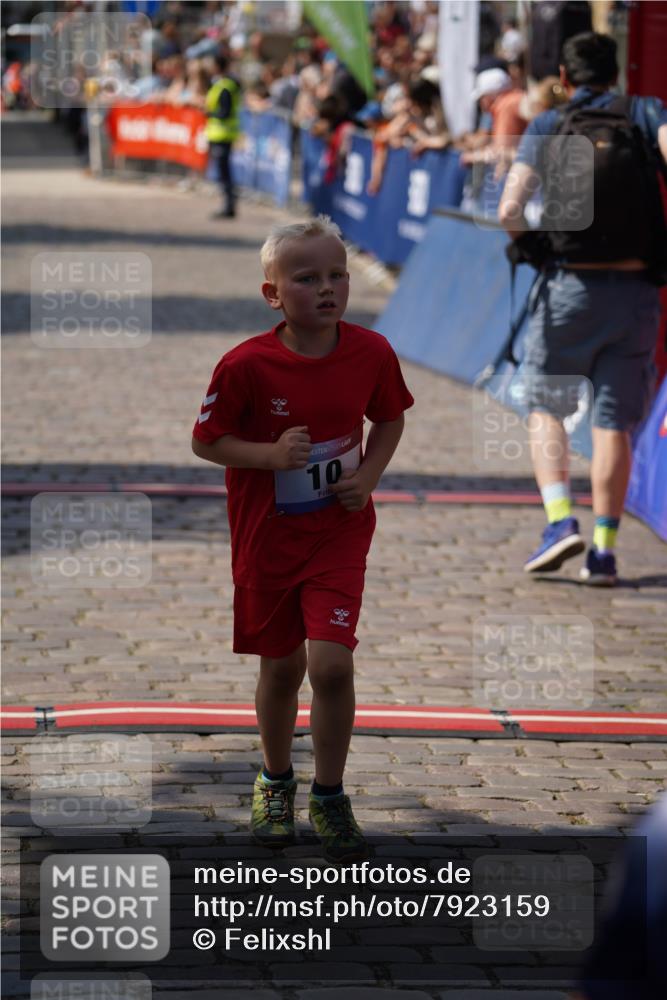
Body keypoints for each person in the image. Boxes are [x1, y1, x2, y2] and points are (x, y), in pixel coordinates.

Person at [191, 216, 414, 863]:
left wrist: (367, 477)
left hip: (338, 532)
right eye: (307, 278)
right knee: (283, 667)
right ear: (273, 295)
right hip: (266, 537)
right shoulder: (245, 365)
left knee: (331, 664)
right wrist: (267, 456)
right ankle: (274, 780)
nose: (327, 288)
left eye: (337, 275)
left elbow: (390, 418)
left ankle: (330, 793)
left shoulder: (372, 352)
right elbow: (206, 442)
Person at [499, 31, 667, 585]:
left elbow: (509, 209)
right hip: (637, 293)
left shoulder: (550, 125)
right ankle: (604, 551)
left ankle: (558, 521)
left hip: (568, 288)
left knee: (546, 405)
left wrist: (534, 248)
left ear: (565, 79)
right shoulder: (644, 112)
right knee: (613, 423)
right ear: (615, 74)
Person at [205, 52, 241, 219]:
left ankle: (229, 206)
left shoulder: (225, 86)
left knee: (224, 172)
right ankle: (228, 205)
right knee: (222, 172)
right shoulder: (220, 84)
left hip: (223, 135)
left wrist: (209, 113)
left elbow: (224, 112)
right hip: (219, 134)